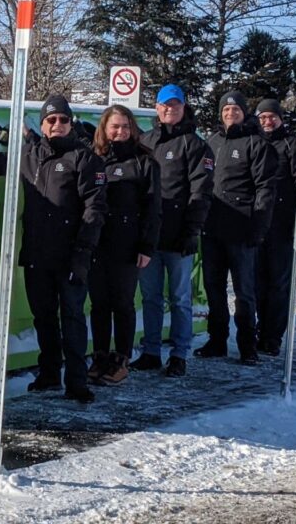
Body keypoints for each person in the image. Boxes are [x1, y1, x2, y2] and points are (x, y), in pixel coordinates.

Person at [0, 95, 106, 403]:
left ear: (70, 122)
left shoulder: (84, 159)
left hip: (72, 255)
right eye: (51, 120)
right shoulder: (29, 155)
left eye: (63, 119)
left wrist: (83, 252)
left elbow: (95, 209)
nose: (57, 124)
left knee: (72, 317)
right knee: (43, 316)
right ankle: (48, 374)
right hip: (37, 253)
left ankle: (77, 382)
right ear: (43, 124)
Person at [131, 84, 214, 378]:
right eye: (165, 105)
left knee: (180, 298)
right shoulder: (146, 140)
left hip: (178, 236)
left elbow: (200, 192)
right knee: (151, 296)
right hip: (149, 238)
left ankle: (179, 354)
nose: (170, 109)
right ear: (157, 107)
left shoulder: (195, 145)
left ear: (183, 108)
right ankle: (151, 351)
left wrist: (191, 230)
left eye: (176, 105)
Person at [195, 90, 277, 365]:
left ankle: (247, 345)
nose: (231, 115)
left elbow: (265, 189)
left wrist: (259, 226)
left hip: (241, 230)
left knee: (244, 291)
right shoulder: (212, 142)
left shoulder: (256, 144)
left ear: (245, 113)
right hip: (212, 229)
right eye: (226, 111)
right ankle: (217, 340)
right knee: (213, 288)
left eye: (236, 110)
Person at [85, 105, 161, 386]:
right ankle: (100, 356)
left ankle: (121, 359)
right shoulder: (94, 159)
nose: (120, 131)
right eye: (114, 126)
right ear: (104, 129)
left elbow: (153, 208)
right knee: (99, 304)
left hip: (127, 245)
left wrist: (146, 246)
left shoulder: (144, 162)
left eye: (125, 126)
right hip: (96, 243)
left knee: (123, 303)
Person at [254, 99, 296, 356]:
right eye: (263, 118)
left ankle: (273, 335)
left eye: (272, 117)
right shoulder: (254, 143)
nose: (268, 122)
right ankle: (261, 327)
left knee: (278, 284)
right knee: (257, 282)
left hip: (283, 225)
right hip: (257, 224)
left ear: (280, 118)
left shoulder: (293, 145)